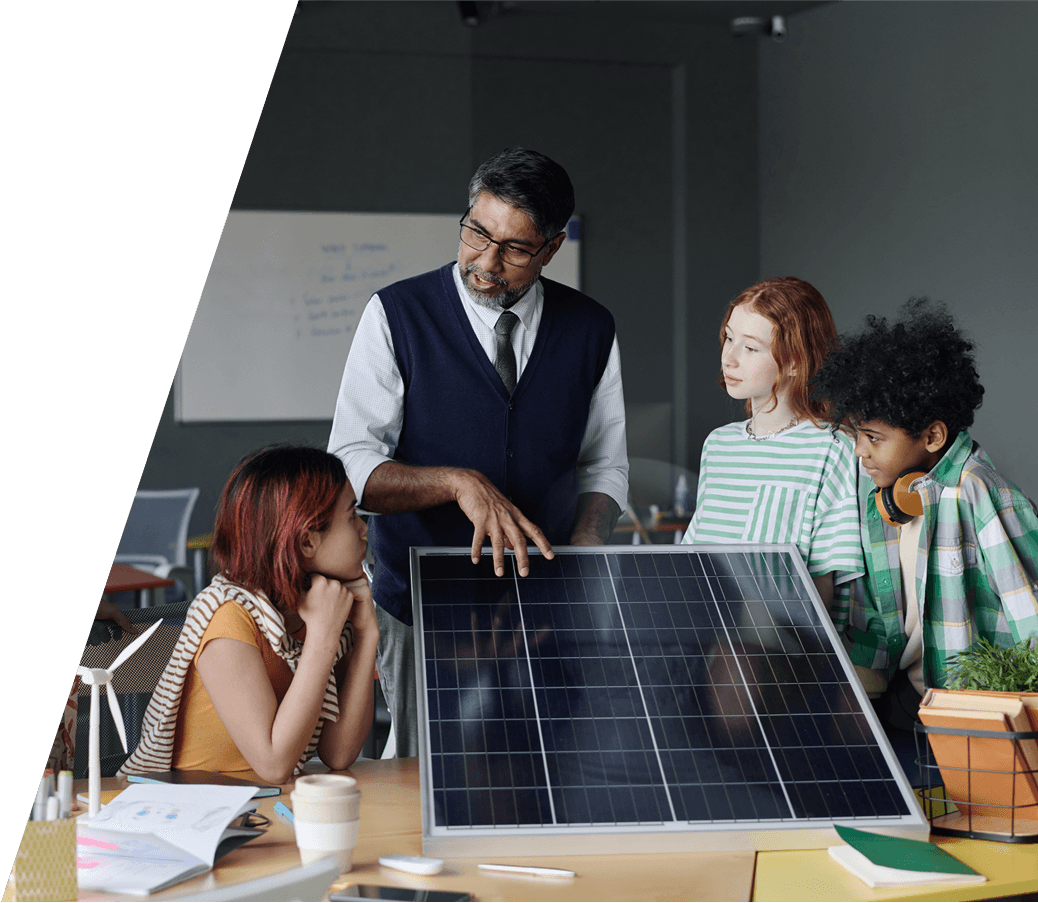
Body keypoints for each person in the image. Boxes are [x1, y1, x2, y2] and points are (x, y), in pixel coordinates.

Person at [328, 147, 628, 756]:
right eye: (477, 233)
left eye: (514, 249)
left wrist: (589, 538)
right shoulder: (396, 315)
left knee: (538, 771)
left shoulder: (591, 328)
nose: (486, 262)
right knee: (423, 773)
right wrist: (458, 483)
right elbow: (352, 466)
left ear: (551, 248)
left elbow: (604, 463)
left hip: (542, 606)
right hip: (421, 606)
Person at [812, 298, 1038, 717]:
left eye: (873, 437)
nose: (859, 450)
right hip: (912, 696)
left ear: (932, 436)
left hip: (975, 706)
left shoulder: (981, 494)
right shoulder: (881, 501)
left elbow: (1032, 616)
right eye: (856, 435)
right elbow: (879, 620)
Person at [119, 446, 378, 784]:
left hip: (265, 802)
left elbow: (338, 754)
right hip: (190, 805)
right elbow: (274, 765)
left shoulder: (323, 610)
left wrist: (367, 633)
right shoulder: (228, 615)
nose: (364, 529)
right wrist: (322, 638)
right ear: (306, 542)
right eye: (351, 515)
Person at [682, 277, 864, 611]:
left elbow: (824, 585)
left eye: (750, 348)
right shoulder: (718, 444)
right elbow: (693, 563)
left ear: (796, 361)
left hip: (782, 635)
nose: (729, 358)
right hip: (709, 625)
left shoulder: (833, 446)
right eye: (729, 338)